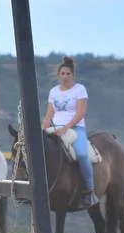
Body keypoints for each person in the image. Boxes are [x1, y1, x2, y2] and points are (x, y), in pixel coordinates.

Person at [42, 56, 97, 210]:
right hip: (55, 128)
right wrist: (42, 128)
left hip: (75, 128)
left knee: (81, 154)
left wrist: (65, 128)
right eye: (63, 74)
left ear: (73, 75)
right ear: (58, 75)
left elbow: (80, 113)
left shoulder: (79, 89)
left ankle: (89, 189)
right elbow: (49, 114)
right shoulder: (53, 91)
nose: (65, 77)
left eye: (68, 74)